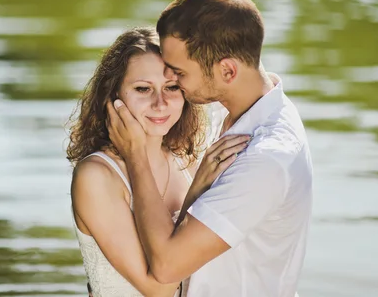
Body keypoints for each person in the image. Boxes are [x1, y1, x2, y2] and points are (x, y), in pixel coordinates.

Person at [107, 0, 313, 297]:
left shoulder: (265, 158)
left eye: (179, 72)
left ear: (227, 71)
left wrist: (135, 156)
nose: (170, 79)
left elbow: (166, 267)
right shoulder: (227, 107)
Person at [67, 26, 249, 297]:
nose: (161, 103)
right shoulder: (96, 176)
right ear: (113, 95)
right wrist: (195, 194)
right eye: (143, 89)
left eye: (172, 87)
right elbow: (159, 288)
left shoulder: (185, 161)